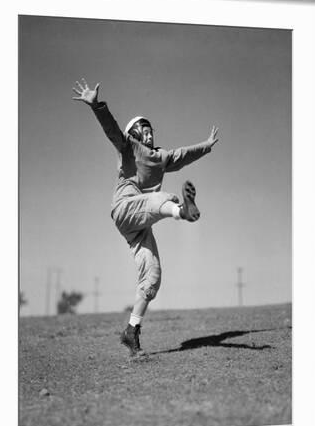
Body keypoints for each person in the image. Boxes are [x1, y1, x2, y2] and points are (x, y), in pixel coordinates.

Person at [72, 79, 219, 357]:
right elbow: (112, 130)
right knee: (164, 198)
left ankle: (131, 332)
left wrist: (207, 145)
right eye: (145, 130)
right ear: (136, 132)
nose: (150, 133)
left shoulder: (161, 157)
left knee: (152, 277)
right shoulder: (128, 147)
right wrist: (97, 106)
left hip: (141, 223)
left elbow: (184, 154)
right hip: (126, 207)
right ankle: (181, 211)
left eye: (152, 129)